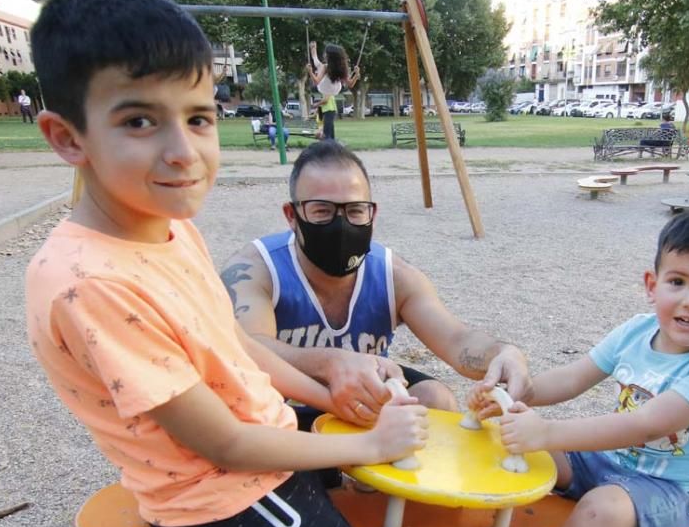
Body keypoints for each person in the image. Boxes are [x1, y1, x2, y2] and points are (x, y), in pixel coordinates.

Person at [24, 0, 429, 527]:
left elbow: (232, 343)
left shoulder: (163, 226)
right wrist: (365, 444)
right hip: (226, 498)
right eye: (140, 120)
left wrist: (327, 394)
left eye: (200, 117)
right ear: (67, 137)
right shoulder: (92, 283)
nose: (184, 152)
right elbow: (225, 448)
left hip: (256, 447)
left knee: (398, 449)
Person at [474, 210, 689, 527]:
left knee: (600, 509)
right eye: (678, 282)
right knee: (509, 441)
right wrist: (523, 392)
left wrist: (546, 431)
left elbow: (645, 425)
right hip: (603, 465)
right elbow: (575, 378)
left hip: (667, 493)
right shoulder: (637, 331)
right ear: (651, 285)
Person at [220, 139, 532, 433]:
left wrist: (502, 354)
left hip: (365, 406)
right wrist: (330, 362)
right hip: (284, 410)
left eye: (354, 210)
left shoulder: (393, 274)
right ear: (292, 215)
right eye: (322, 211)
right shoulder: (256, 269)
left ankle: (391, 486)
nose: (340, 225)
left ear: (372, 213)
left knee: (436, 399)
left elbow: (456, 339)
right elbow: (244, 351)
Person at [306, 41, 360, 140]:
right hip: (335, 89)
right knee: (318, 64)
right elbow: (351, 84)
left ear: (330, 56)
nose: (324, 54)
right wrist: (356, 74)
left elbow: (316, 81)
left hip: (324, 87)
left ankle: (313, 51)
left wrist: (310, 72)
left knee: (319, 65)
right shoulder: (342, 68)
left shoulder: (326, 67)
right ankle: (313, 50)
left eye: (326, 53)